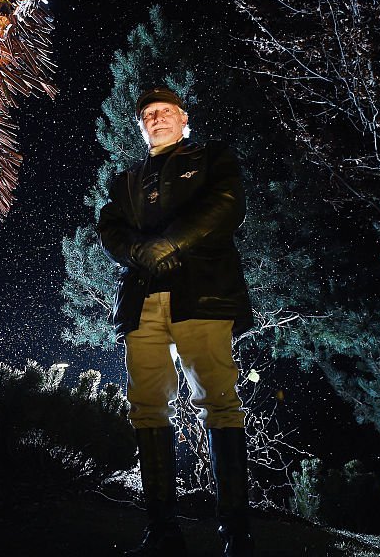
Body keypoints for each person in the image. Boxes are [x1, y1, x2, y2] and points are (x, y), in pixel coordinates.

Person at [96, 86, 255, 557]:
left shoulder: (213, 158)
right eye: (147, 114)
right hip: (143, 303)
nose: (155, 118)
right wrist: (140, 252)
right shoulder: (125, 180)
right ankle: (163, 532)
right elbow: (110, 227)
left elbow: (226, 205)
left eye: (165, 111)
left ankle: (236, 534)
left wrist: (169, 244)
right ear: (141, 125)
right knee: (146, 407)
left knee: (220, 403)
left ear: (185, 119)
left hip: (202, 295)